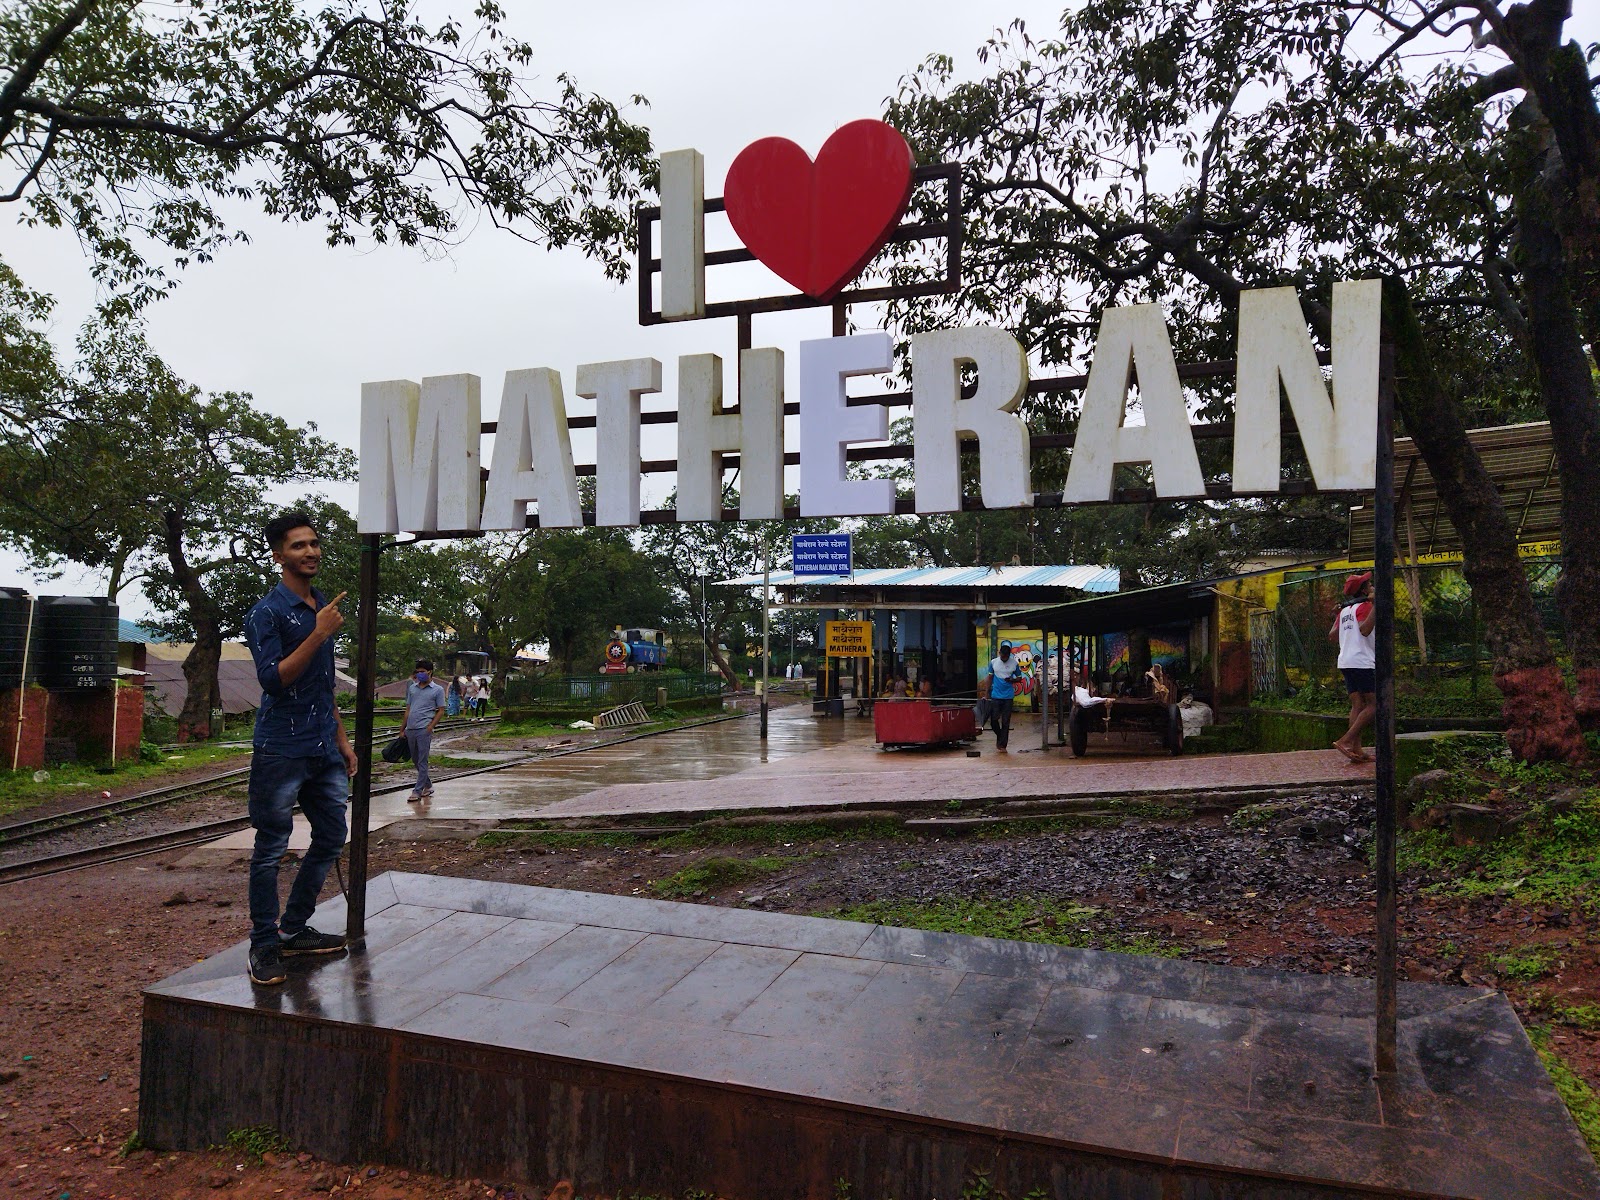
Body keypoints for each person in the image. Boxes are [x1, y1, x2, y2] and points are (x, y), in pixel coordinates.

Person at [241, 512, 357, 987]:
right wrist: (319, 634)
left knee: (331, 836)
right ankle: (264, 945)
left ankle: (294, 928)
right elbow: (273, 679)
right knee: (270, 848)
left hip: (322, 746)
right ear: (278, 555)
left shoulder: (320, 604)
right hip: (281, 748)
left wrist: (343, 740)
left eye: (313, 544)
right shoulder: (267, 612)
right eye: (297, 546)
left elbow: (322, 683)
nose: (309, 552)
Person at [1329, 571, 1378, 763]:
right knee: (1375, 704)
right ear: (1364, 590)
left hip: (1346, 661)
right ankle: (1346, 741)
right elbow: (1365, 630)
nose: (1372, 587)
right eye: (1370, 585)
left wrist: (1336, 617)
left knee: (1358, 704)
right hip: (1362, 661)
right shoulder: (1365, 606)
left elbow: (1332, 636)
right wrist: (1375, 606)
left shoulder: (1345, 610)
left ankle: (1357, 750)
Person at [404, 659, 447, 801]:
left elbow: (441, 710)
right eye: (418, 671)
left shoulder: (437, 690)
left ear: (430, 672)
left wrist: (431, 726)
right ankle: (428, 785)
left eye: (422, 671)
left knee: (422, 760)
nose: (420, 674)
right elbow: (408, 708)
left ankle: (417, 790)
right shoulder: (413, 689)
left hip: (424, 729)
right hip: (411, 728)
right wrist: (402, 728)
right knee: (415, 759)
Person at [987, 641, 1023, 750]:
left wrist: (1012, 680)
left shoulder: (1014, 664)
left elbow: (1019, 677)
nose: (1004, 658)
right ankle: (1000, 735)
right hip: (996, 696)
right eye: (1002, 656)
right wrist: (986, 693)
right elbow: (989, 678)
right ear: (999, 653)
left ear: (1009, 655)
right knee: (993, 720)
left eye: (1006, 657)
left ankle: (1003, 744)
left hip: (1008, 696)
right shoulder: (993, 663)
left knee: (1006, 721)